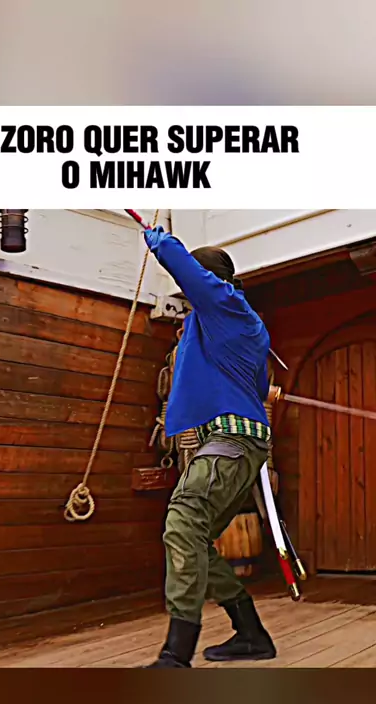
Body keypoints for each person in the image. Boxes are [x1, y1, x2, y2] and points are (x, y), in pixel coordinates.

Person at [143, 225, 277, 668]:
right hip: (236, 442)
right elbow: (253, 384)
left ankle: (176, 655)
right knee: (195, 537)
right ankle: (251, 634)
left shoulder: (228, 306)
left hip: (231, 439)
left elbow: (188, 271)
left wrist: (159, 240)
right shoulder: (222, 325)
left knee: (182, 522)